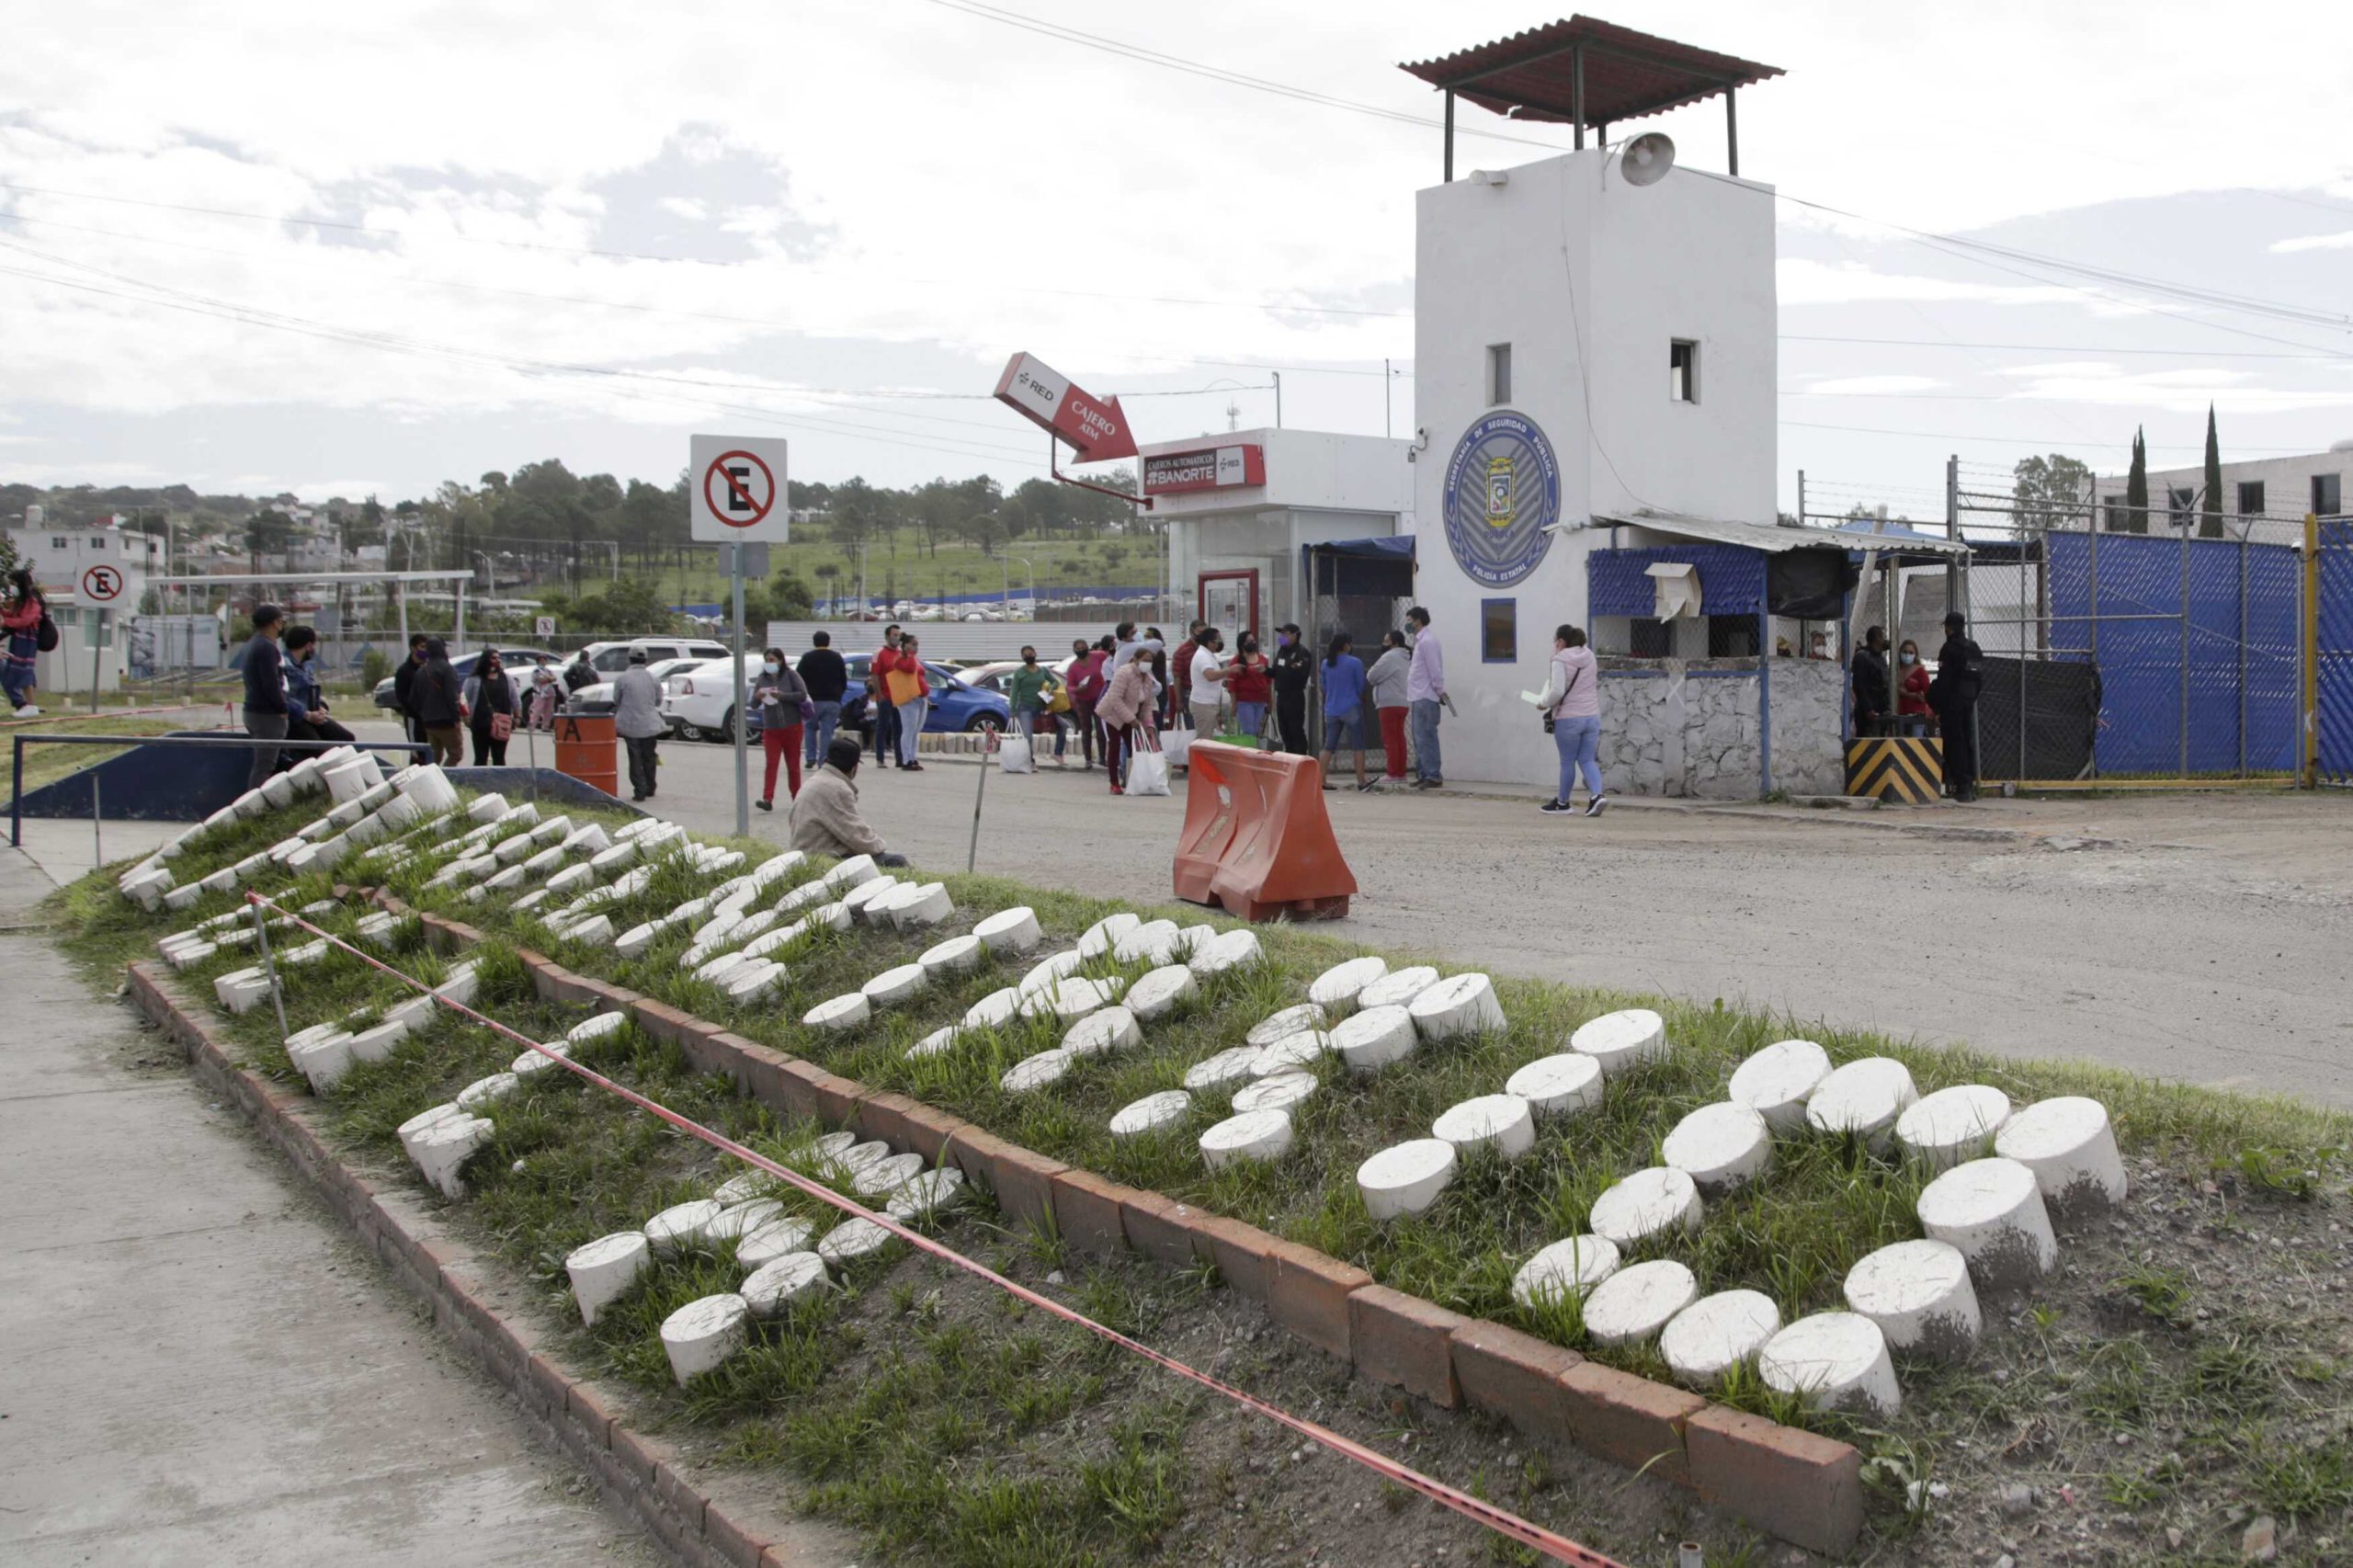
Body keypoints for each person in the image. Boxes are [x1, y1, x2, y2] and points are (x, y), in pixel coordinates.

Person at [789, 736, 908, 866]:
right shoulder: (837, 788)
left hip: (804, 851)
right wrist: (880, 846)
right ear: (854, 767)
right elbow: (857, 837)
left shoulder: (816, 779)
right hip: (818, 857)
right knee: (897, 862)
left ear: (826, 760)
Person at [1536, 624, 1605, 816]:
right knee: (1587, 759)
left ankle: (1563, 803)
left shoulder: (1560, 659)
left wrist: (1543, 703)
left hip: (1569, 719)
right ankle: (1597, 796)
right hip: (1591, 716)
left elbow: (1557, 690)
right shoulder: (1589, 655)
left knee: (1567, 761)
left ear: (1560, 641)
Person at [1930, 610, 1984, 802]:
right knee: (1967, 741)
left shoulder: (1949, 649)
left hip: (1952, 703)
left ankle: (1961, 787)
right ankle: (1968, 785)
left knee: (1954, 743)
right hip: (1968, 701)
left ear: (1948, 627)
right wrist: (1970, 698)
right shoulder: (1974, 648)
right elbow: (1979, 678)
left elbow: (1944, 681)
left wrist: (1936, 706)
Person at [280, 626, 356, 758]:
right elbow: (283, 697)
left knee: (346, 739)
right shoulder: (284, 665)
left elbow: (311, 690)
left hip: (312, 714)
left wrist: (321, 707)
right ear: (308, 645)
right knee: (320, 750)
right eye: (313, 645)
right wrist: (307, 714)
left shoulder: (306, 665)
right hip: (295, 719)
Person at [751, 646, 809, 810]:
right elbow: (754, 704)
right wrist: (758, 697)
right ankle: (767, 799)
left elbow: (802, 694)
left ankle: (796, 798)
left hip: (792, 726)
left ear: (780, 660)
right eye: (766, 660)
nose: (769, 664)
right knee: (771, 764)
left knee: (793, 765)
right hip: (771, 728)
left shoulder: (791, 675)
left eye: (772, 660)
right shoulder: (762, 679)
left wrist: (781, 695)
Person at [1094, 642, 1155, 795]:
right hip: (1112, 714)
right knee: (1114, 747)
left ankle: (1132, 779)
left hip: (1132, 715)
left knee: (1134, 749)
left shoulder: (1147, 678)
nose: (1147, 663)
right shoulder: (1124, 672)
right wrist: (1131, 719)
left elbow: (1147, 704)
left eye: (1150, 661)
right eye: (1145, 660)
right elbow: (1115, 699)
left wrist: (1149, 724)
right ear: (1135, 659)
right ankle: (1114, 783)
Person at [240, 604, 290, 787]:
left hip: (253, 711)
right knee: (264, 766)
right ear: (275, 623)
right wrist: (282, 708)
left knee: (269, 763)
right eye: (281, 621)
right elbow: (270, 683)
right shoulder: (267, 648)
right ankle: (253, 810)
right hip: (267, 714)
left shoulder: (254, 643)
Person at [1317, 631, 1370, 792]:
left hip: (1331, 708)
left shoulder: (1326, 663)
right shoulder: (1355, 663)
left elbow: (1324, 687)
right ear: (1346, 645)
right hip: (1350, 706)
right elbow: (1361, 685)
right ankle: (1361, 781)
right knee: (1358, 745)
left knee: (1329, 746)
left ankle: (1321, 780)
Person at [613, 648, 665, 801]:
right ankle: (650, 787)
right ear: (646, 660)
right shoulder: (653, 678)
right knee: (649, 756)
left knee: (635, 757)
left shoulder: (622, 679)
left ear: (629, 659)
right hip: (650, 724)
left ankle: (639, 790)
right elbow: (658, 701)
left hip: (630, 725)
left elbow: (616, 700)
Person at [1404, 606, 1445, 789]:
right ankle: (1424, 772)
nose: (1408, 625)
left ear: (1418, 620)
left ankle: (1432, 774)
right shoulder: (1421, 641)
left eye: (1409, 621)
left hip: (1426, 695)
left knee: (1426, 736)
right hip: (1418, 695)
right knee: (1419, 736)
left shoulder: (1427, 641)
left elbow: (1434, 669)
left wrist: (1439, 689)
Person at [1367, 629, 1413, 785]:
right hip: (1403, 702)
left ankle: (1393, 773)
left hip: (1389, 703)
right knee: (1399, 738)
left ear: (1395, 642)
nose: (1384, 644)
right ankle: (1401, 772)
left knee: (1390, 739)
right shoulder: (1406, 657)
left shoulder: (1389, 657)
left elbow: (1372, 676)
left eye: (1387, 641)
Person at [461, 648, 521, 767]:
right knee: (480, 757)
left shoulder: (507, 678)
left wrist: (518, 716)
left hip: (502, 724)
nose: (497, 660)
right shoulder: (474, 679)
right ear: (486, 660)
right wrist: (466, 717)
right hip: (480, 724)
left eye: (498, 658)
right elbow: (463, 699)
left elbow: (515, 699)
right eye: (493, 658)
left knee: (499, 757)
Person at [797, 630, 847, 767]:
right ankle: (823, 759)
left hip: (813, 700)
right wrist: (838, 695)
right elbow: (843, 680)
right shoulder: (837, 658)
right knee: (827, 731)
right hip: (832, 701)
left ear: (814, 642)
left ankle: (810, 757)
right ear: (828, 642)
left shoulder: (807, 658)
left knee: (809, 728)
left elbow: (799, 679)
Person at [4, 567, 48, 716]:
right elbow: (15, 615)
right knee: (17, 670)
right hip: (19, 640)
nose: (12, 587)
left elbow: (25, 620)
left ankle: (30, 706)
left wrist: (5, 622)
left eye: (13, 583)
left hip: (27, 640)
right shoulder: (22, 601)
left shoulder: (33, 601)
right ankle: (26, 705)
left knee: (25, 672)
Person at [1007, 645, 1062, 767]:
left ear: (1036, 654)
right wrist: (1012, 710)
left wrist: (1050, 689)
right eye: (1026, 655)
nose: (1029, 656)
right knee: (1027, 735)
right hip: (1025, 708)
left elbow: (1055, 682)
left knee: (1063, 725)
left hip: (1042, 707)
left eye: (1031, 654)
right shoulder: (1019, 673)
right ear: (1022, 657)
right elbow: (1014, 692)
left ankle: (1058, 753)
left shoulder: (1043, 670)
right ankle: (1030, 760)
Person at [415, 637, 464, 767]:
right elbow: (451, 696)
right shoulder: (447, 669)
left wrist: (423, 714)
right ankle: (445, 778)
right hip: (446, 721)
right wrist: (456, 718)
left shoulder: (421, 670)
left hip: (428, 722)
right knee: (455, 754)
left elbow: (413, 698)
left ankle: (430, 778)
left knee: (434, 757)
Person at [885, 632, 929, 771]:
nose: (916, 648)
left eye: (917, 645)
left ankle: (912, 757)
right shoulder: (902, 659)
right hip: (909, 699)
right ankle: (905, 760)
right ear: (905, 646)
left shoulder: (915, 659)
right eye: (913, 645)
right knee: (908, 730)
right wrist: (909, 654)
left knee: (916, 731)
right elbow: (909, 669)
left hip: (921, 697)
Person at [1066, 636, 1110, 769]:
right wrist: (1078, 689)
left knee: (1101, 728)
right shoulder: (1073, 667)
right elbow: (1070, 686)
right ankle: (1088, 759)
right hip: (1082, 699)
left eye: (1083, 647)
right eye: (1078, 648)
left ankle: (1102, 757)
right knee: (1086, 729)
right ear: (1074, 650)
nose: (1081, 650)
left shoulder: (1098, 656)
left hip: (1099, 698)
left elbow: (1110, 661)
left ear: (1087, 647)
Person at [1269, 622, 1313, 755]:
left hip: (1294, 696)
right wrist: (1265, 671)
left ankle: (1300, 756)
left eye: (1285, 634)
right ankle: (1289, 753)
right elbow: (1276, 671)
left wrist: (1289, 669)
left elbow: (1300, 672)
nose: (1282, 637)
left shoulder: (1301, 652)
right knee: (1284, 728)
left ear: (1295, 636)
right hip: (1281, 695)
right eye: (1281, 634)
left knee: (1295, 728)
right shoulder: (1282, 651)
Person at [869, 624, 906, 767]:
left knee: (899, 728)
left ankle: (900, 758)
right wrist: (880, 694)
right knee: (883, 726)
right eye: (894, 635)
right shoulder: (879, 653)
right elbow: (875, 675)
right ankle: (880, 758)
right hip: (885, 695)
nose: (897, 638)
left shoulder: (900, 653)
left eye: (898, 635)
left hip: (899, 696)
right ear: (887, 636)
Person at [1226, 631, 1271, 745]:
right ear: (1242, 644)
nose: (1252, 643)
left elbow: (1268, 681)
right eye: (1249, 641)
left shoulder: (1263, 659)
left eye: (1253, 640)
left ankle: (1254, 754)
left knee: (1256, 731)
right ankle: (1249, 755)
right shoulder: (1236, 661)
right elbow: (1232, 685)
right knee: (1248, 732)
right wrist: (1233, 703)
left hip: (1261, 701)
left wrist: (1270, 702)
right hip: (1244, 701)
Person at [1851, 625, 1893, 737]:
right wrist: (1868, 708)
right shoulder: (1863, 657)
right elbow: (1860, 686)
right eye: (1884, 637)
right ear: (1878, 638)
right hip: (1868, 711)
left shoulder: (1880, 658)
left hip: (1881, 708)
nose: (1886, 640)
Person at [1188, 626, 1227, 737]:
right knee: (1204, 738)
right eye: (1217, 641)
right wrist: (1230, 670)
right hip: (1203, 704)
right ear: (1210, 642)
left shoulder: (1209, 655)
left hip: (1209, 703)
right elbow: (1210, 676)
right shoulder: (1202, 656)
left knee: (1210, 738)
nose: (1219, 644)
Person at [392, 633, 429, 743]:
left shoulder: (428, 669)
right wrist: (417, 713)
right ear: (413, 648)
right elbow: (402, 697)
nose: (425, 650)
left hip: (429, 719)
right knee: (417, 753)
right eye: (422, 647)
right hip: (414, 718)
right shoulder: (404, 671)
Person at [1895, 639, 1936, 735]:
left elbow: (1925, 694)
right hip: (1899, 714)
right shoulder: (1896, 670)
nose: (1907, 655)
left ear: (1915, 655)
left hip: (1916, 715)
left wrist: (1907, 694)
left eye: (1910, 653)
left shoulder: (1920, 672)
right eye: (1905, 652)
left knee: (1916, 742)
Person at [1170, 619, 1205, 726]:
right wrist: (1179, 700)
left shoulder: (1206, 649)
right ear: (1191, 632)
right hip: (1189, 692)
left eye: (1205, 632)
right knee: (1192, 725)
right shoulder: (1182, 651)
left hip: (1206, 692)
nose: (1203, 635)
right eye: (1199, 632)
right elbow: (1177, 677)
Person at [528, 665, 561, 731]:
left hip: (550, 693)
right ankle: (532, 726)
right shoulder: (536, 671)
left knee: (549, 711)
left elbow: (555, 678)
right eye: (541, 660)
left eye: (544, 660)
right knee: (537, 710)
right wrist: (549, 679)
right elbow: (541, 680)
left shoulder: (548, 670)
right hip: (539, 693)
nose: (543, 662)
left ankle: (546, 727)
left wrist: (547, 678)